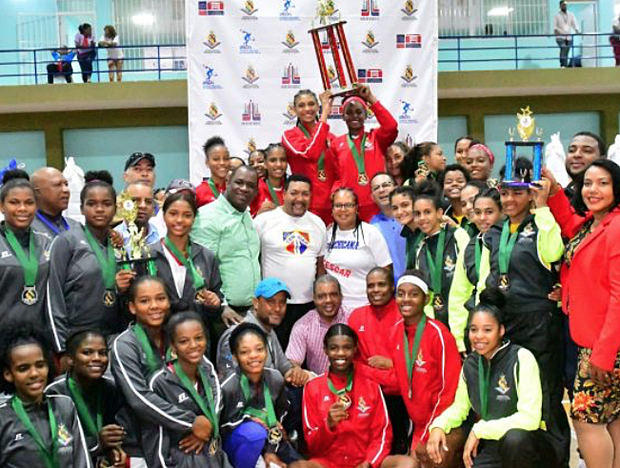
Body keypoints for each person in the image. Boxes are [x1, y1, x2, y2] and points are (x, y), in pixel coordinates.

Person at [483, 167, 569, 465]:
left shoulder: (541, 223)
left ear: (530, 194)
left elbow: (555, 252)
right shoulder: (495, 232)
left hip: (539, 323)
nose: (508, 199)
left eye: (517, 192)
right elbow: (488, 277)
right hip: (507, 325)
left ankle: (555, 461)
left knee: (546, 397)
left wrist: (543, 207)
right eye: (504, 193)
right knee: (513, 397)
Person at [544, 160, 620, 468]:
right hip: (596, 340)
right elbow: (571, 226)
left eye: (603, 183)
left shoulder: (616, 227)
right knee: (613, 419)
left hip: (605, 345)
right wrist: (552, 190)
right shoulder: (596, 222)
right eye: (588, 183)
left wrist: (602, 354)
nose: (593, 190)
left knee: (587, 420)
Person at [427, 288, 557, 468]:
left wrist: (480, 429)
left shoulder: (522, 358)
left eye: (487, 330)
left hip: (530, 445)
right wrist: (438, 426)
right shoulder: (471, 364)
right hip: (491, 445)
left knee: (515, 439)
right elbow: (460, 407)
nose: (479, 336)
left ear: (501, 330)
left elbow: (530, 418)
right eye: (474, 329)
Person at [111, 276, 213, 467]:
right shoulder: (124, 345)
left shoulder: (179, 334)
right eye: (144, 301)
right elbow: (138, 398)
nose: (154, 306)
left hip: (189, 438)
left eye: (160, 298)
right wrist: (191, 422)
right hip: (141, 441)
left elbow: (207, 374)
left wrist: (207, 422)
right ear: (132, 307)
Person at [295, 324, 414, 468]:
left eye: (347, 347)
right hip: (329, 463)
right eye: (334, 348)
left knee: (408, 464)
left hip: (364, 461)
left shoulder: (371, 385)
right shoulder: (312, 387)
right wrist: (328, 425)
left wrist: (369, 462)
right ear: (325, 350)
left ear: (355, 349)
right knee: (299, 467)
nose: (340, 353)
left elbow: (383, 434)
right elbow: (311, 445)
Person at [148, 191, 239, 360]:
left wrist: (214, 304)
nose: (180, 220)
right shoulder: (150, 254)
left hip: (196, 341)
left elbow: (216, 303)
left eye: (187, 215)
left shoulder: (206, 256)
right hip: (159, 338)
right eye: (173, 214)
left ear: (194, 219)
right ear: (164, 216)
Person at [386, 271, 462, 468]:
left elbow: (449, 391)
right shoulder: (395, 332)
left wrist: (428, 431)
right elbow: (400, 378)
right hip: (418, 424)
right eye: (401, 294)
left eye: (413, 294)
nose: (406, 299)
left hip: (444, 421)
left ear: (426, 299)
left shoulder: (439, 334)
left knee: (433, 457)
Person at [47, 171, 123, 356]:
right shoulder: (66, 242)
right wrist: (62, 349)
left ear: (115, 208)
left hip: (112, 338)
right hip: (76, 339)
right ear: (81, 208)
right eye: (92, 204)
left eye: (106, 204)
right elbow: (53, 298)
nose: (99, 209)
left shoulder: (119, 246)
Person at [0, 324, 92, 467]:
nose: (34, 374)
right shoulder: (3, 417)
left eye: (40, 365)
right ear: (8, 374)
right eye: (23, 369)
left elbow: (82, 461)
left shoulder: (64, 406)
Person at [147, 312, 231, 468]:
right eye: (184, 341)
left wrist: (206, 429)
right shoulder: (160, 382)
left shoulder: (208, 371)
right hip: (181, 460)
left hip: (213, 454)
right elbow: (156, 441)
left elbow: (217, 405)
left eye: (199, 338)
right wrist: (193, 426)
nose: (193, 345)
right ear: (173, 346)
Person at [254, 174, 327, 349]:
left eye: (305, 194)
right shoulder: (263, 221)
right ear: (284, 193)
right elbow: (252, 260)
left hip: (308, 306)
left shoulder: (318, 224)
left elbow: (320, 266)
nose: (299, 199)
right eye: (294, 193)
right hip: (274, 305)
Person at [220, 323, 302, 468]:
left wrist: (270, 450)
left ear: (267, 351)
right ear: (234, 357)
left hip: (271, 438)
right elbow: (221, 427)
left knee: (300, 465)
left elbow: (279, 416)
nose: (253, 356)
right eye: (244, 352)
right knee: (254, 432)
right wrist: (249, 420)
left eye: (259, 349)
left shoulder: (275, 378)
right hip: (239, 443)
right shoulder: (228, 386)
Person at [347, 267, 409, 454]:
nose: (375, 290)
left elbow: (406, 377)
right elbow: (353, 366)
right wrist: (390, 371)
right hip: (368, 395)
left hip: (399, 398)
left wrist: (392, 365)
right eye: (370, 286)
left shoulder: (405, 316)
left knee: (397, 449)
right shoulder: (356, 317)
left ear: (392, 287)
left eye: (381, 284)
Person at [45, 329, 126, 466]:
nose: (97, 358)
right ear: (70, 359)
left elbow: (112, 433)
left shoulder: (111, 389)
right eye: (87, 352)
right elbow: (58, 447)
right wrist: (97, 443)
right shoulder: (55, 392)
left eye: (102, 353)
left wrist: (115, 450)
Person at [192, 165, 260, 314]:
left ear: (256, 191)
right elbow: (200, 271)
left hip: (250, 309)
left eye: (250, 186)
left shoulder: (246, 215)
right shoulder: (207, 216)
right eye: (239, 182)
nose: (244, 188)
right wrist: (221, 306)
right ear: (228, 181)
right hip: (222, 313)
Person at [216, 278, 309, 387]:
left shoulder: (269, 329)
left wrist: (296, 373)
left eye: (282, 302)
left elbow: (285, 368)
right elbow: (230, 383)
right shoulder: (236, 335)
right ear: (256, 303)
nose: (277, 308)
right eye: (271, 302)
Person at [331, 85, 398, 222]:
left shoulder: (376, 138)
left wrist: (371, 99)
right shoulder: (336, 144)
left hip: (377, 207)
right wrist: (336, 195)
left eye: (359, 112)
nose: (354, 116)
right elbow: (335, 176)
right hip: (351, 209)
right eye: (349, 113)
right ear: (342, 116)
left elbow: (391, 126)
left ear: (366, 114)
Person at [448, 187, 501, 353]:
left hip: (510, 325)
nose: (482, 218)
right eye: (477, 212)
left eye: (489, 212)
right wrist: (459, 339)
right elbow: (459, 294)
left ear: (502, 211)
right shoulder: (469, 248)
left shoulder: (511, 243)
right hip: (480, 329)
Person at [324, 187, 393, 310]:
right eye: (338, 205)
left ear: (356, 208)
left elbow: (386, 270)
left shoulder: (371, 233)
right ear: (332, 210)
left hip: (366, 305)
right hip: (336, 308)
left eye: (348, 205)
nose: (343, 210)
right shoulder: (326, 234)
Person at [413, 183, 470, 330]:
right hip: (436, 323)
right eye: (417, 214)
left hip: (462, 319)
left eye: (427, 212)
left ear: (439, 213)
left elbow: (469, 278)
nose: (422, 218)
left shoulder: (457, 236)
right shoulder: (421, 248)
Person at [0, 172, 52, 332]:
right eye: (14, 202)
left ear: (36, 207)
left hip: (40, 336)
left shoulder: (47, 241)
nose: (22, 208)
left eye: (29, 202)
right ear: (1, 206)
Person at [282, 89, 335, 225]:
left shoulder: (331, 138)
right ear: (294, 110)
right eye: (301, 105)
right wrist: (324, 115)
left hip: (332, 206)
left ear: (317, 106)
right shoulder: (290, 135)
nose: (307, 109)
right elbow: (310, 152)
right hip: (305, 205)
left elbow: (339, 171)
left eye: (311, 104)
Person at [286, 275, 350, 375]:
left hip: (351, 383)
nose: (328, 300)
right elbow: (292, 361)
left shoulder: (353, 319)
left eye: (333, 295)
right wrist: (296, 371)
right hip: (317, 385)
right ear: (314, 299)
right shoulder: (303, 325)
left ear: (341, 296)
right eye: (321, 296)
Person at [370, 172, 407, 281]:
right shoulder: (372, 227)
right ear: (372, 197)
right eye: (376, 188)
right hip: (390, 290)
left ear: (396, 188)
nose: (381, 190)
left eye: (386, 185)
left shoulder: (412, 218)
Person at [30, 167, 79, 237]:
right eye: (57, 185)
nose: (66, 190)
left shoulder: (75, 227)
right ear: (37, 192)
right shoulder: (29, 229)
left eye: (66, 184)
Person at [114, 181, 160, 248]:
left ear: (153, 207)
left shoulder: (161, 235)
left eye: (148, 202)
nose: (143, 206)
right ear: (122, 204)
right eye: (135, 200)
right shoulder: (112, 239)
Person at [564, 131, 607, 199]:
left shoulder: (613, 197)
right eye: (572, 150)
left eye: (587, 151)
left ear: (603, 159)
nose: (577, 155)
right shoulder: (561, 194)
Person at [390, 185, 423, 270]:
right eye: (395, 208)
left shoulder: (428, 231)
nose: (400, 212)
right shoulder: (407, 233)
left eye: (405, 205)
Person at [250, 143, 287, 216]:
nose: (279, 164)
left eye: (283, 160)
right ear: (265, 164)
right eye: (273, 160)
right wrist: (258, 214)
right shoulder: (254, 187)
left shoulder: (291, 187)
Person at [195, 136, 231, 208]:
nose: (222, 163)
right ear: (207, 162)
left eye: (226, 158)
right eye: (216, 159)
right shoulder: (199, 192)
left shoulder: (237, 189)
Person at [554, 1, 579, 68]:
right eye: (562, 5)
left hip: (568, 37)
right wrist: (557, 32)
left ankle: (565, 65)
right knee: (563, 48)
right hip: (560, 37)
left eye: (565, 5)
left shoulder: (571, 14)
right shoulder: (557, 16)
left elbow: (574, 23)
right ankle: (562, 65)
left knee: (566, 51)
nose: (564, 6)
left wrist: (576, 29)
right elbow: (555, 27)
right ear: (560, 6)